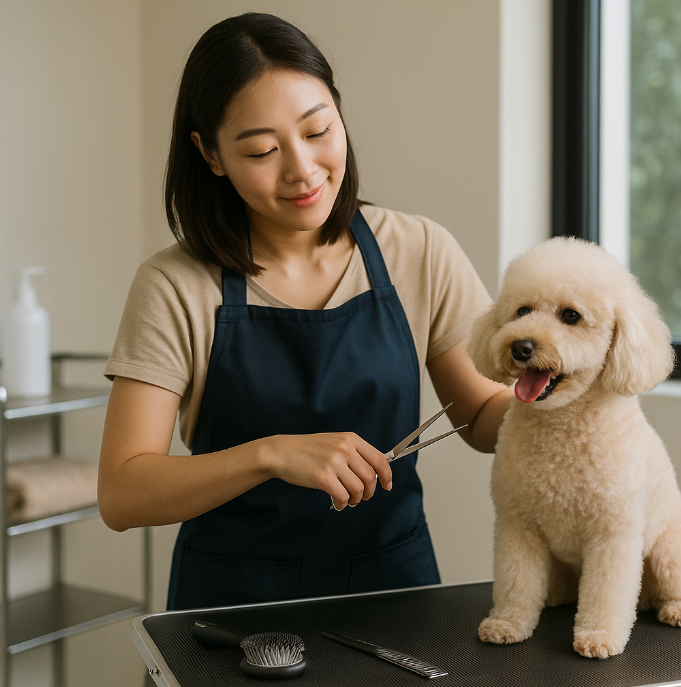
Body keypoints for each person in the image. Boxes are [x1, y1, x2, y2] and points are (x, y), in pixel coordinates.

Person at [97, 12, 511, 611]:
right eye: (263, 149)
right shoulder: (173, 287)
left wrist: (558, 407)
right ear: (210, 154)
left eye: (318, 131)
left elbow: (479, 415)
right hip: (232, 610)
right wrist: (271, 454)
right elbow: (122, 492)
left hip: (393, 593)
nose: (302, 170)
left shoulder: (417, 250)